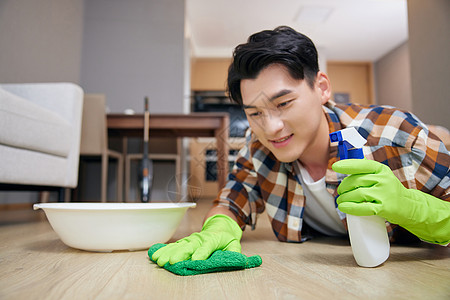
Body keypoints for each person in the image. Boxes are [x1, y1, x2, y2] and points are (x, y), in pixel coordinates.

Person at [152, 26, 450, 267]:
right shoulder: (259, 149)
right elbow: (231, 202)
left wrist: (410, 206)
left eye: (283, 103)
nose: (270, 128)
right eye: (254, 113)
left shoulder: (394, 131)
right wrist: (218, 228)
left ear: (321, 88)